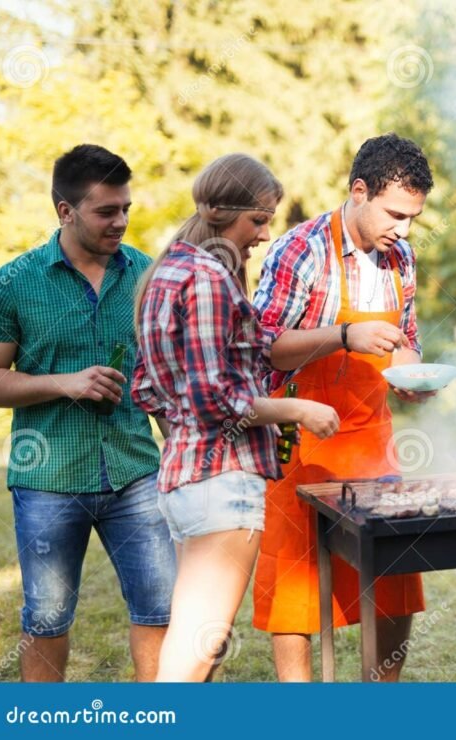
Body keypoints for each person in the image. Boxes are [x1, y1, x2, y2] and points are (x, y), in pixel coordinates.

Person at [132, 154, 339, 682]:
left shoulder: (167, 271)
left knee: (196, 642)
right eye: (259, 219)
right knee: (195, 651)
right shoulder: (208, 279)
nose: (265, 235)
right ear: (219, 211)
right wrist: (297, 409)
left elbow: (147, 387)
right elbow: (214, 398)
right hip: (221, 484)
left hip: (183, 478)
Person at [251, 133, 435, 682]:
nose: (404, 230)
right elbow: (266, 346)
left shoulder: (401, 257)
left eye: (413, 218)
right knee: (297, 585)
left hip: (372, 439)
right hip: (301, 438)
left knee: (396, 574)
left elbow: (407, 338)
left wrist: (410, 373)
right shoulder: (301, 250)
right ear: (359, 191)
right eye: (395, 214)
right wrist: (344, 335)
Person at [0, 144, 175, 681]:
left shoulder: (146, 275)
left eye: (126, 209)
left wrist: (184, 453)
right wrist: (64, 383)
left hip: (136, 473)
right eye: (106, 211)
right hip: (48, 478)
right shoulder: (14, 283)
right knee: (47, 618)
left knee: (162, 610)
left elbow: (160, 380)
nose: (120, 221)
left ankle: (162, 717)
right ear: (65, 211)